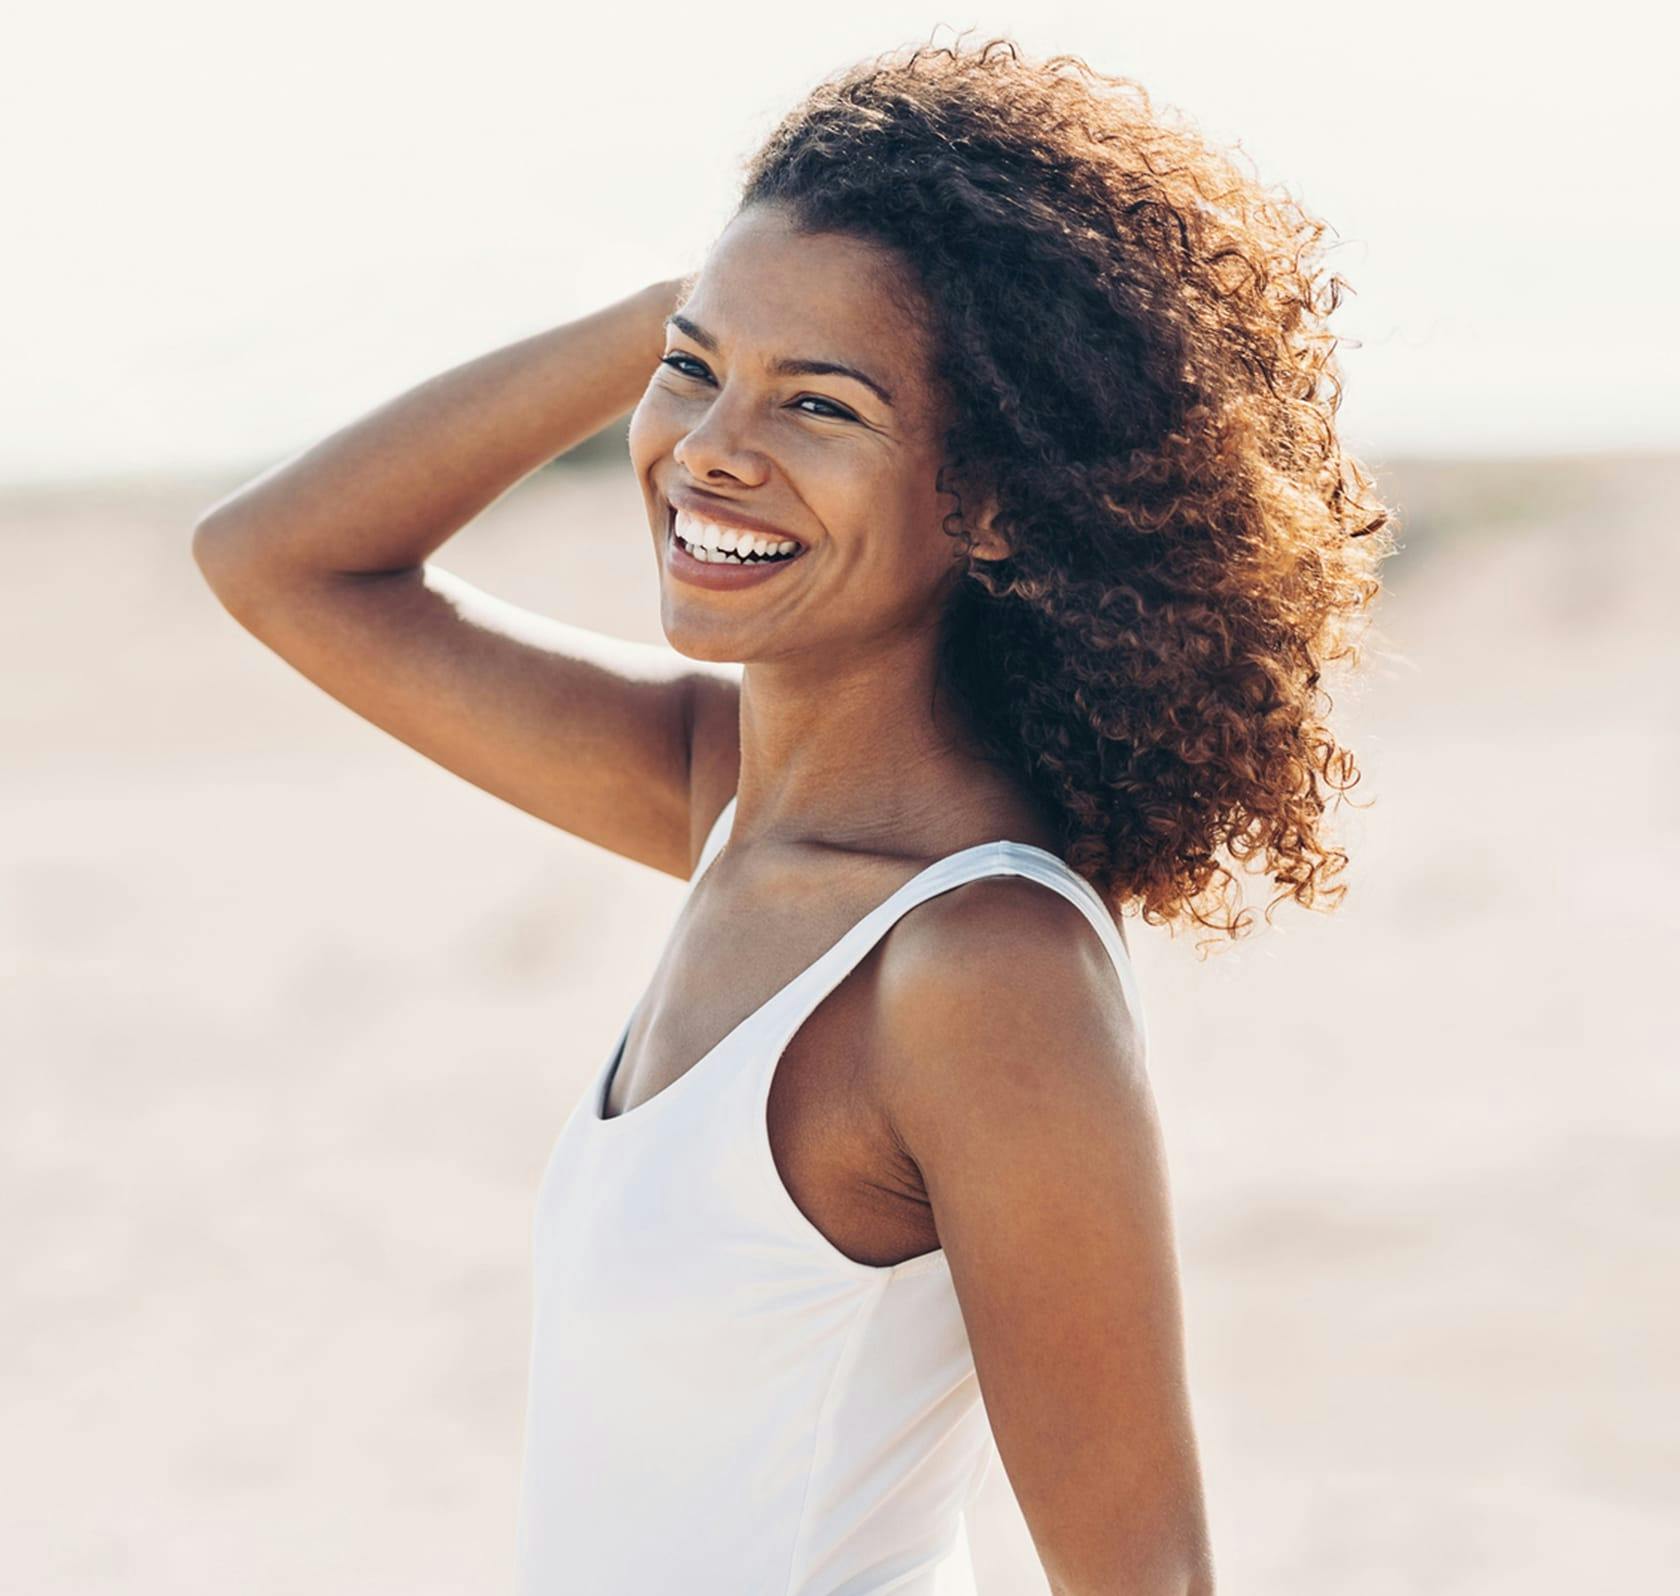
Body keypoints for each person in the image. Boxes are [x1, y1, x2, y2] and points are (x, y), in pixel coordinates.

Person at [192, 33, 1395, 1596]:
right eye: (692, 377)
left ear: (993, 498)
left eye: (820, 406)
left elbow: (1143, 1579)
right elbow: (277, 559)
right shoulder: (728, 808)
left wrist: (723, 319)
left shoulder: (979, 972)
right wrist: (699, 307)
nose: (709, 454)